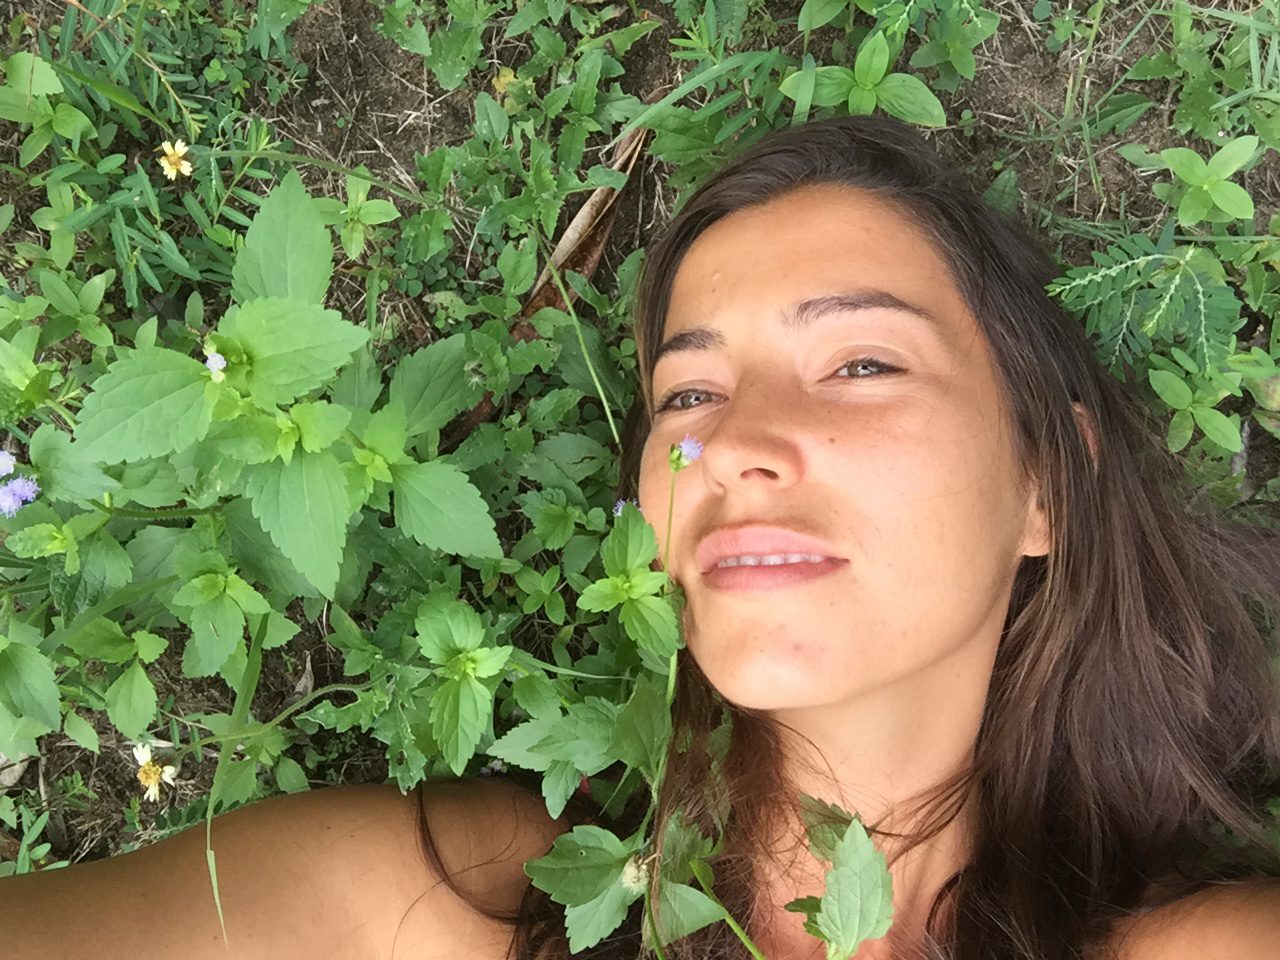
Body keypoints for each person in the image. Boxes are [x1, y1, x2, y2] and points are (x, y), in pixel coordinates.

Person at [3, 115, 1280, 960]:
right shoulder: (443, 907)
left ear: (1045, 482)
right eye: (686, 394)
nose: (726, 444)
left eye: (861, 361)